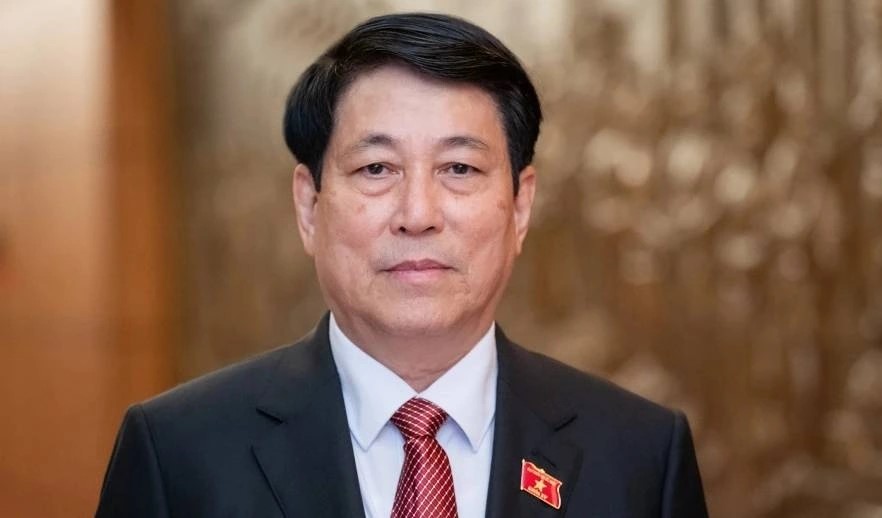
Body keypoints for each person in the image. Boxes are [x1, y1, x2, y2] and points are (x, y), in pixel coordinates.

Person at [96, 12, 708, 518]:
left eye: (460, 169)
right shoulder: (178, 455)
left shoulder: (640, 456)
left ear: (521, 206)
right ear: (309, 206)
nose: (418, 214)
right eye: (376, 169)